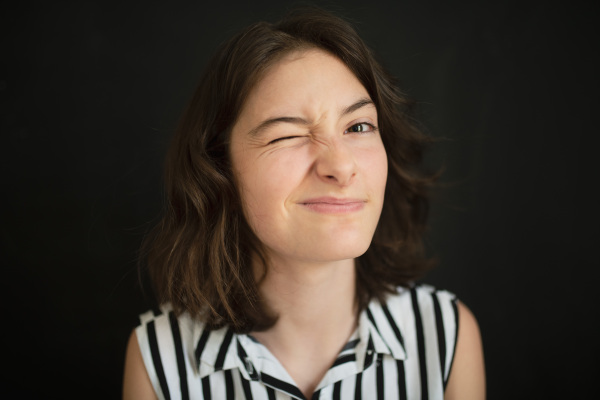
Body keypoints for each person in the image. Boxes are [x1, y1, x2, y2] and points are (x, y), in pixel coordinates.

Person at [122, 8, 485, 400]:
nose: (341, 167)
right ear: (219, 167)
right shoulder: (157, 357)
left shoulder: (445, 337)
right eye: (288, 136)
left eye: (358, 127)